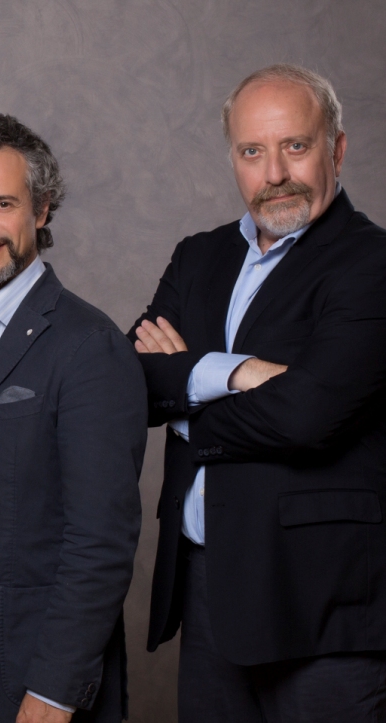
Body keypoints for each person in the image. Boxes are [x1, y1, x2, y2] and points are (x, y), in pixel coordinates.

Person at [132, 64, 386, 722]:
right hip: (208, 591)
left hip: (320, 605)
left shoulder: (371, 263)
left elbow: (308, 414)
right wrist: (237, 371)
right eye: (252, 151)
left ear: (337, 149)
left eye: (295, 146)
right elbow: (131, 381)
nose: (274, 173)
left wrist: (188, 398)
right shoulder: (198, 257)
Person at [0, 114, 146, 723]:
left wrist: (54, 690)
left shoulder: (88, 345)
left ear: (41, 209)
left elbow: (101, 542)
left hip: (31, 676)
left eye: (3, 204)